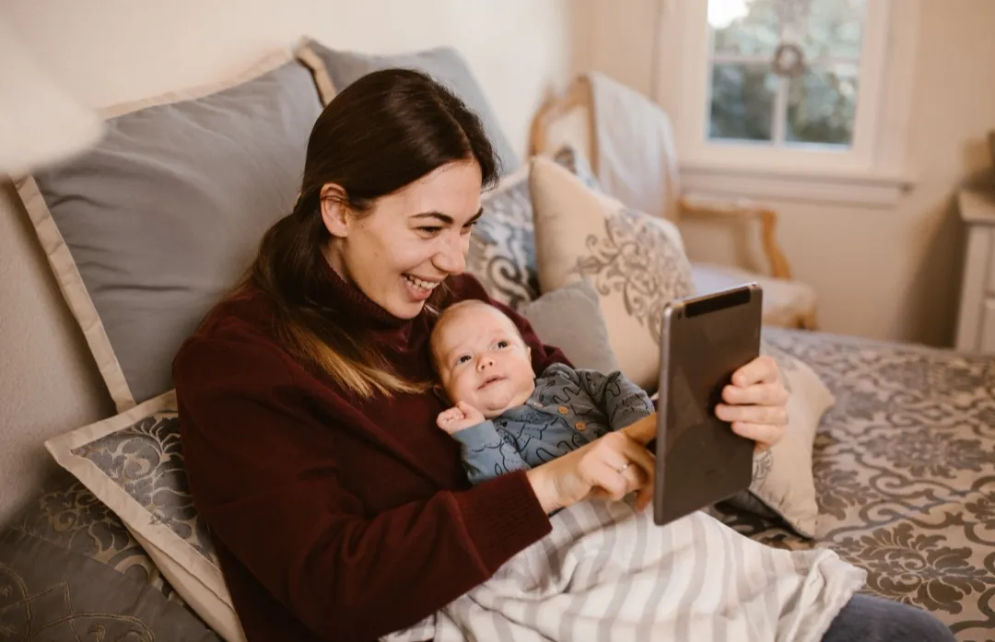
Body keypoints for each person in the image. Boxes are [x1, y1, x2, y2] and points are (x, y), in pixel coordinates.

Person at [172, 69, 953, 641]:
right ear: (338, 209)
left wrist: (723, 417)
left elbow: (565, 392)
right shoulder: (242, 367)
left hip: (630, 565)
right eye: (428, 227)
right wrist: (551, 482)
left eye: (468, 226)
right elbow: (332, 587)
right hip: (514, 604)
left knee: (917, 636)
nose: (453, 259)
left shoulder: (446, 300)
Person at [431, 299, 654, 493]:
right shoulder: (489, 439)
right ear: (445, 393)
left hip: (639, 473)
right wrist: (475, 433)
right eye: (464, 359)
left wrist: (634, 433)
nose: (485, 361)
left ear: (529, 358)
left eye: (500, 344)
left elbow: (616, 388)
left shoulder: (563, 377)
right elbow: (511, 493)